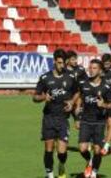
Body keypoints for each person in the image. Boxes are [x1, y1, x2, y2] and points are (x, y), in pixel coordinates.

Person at [33, 49, 79, 178]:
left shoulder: (70, 77)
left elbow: (77, 92)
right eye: (59, 63)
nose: (62, 66)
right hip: (49, 118)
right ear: (54, 62)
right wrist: (43, 98)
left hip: (63, 119)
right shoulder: (45, 78)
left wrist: (71, 102)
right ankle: (50, 174)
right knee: (48, 148)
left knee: (62, 152)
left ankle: (61, 165)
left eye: (63, 63)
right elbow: (35, 97)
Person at [76, 59, 111, 178]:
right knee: (82, 149)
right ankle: (90, 160)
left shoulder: (106, 86)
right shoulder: (84, 84)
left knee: (97, 150)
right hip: (86, 120)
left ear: (100, 70)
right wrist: (77, 108)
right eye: (90, 68)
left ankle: (94, 172)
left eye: (94, 68)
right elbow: (80, 97)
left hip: (99, 122)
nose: (91, 70)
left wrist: (104, 105)